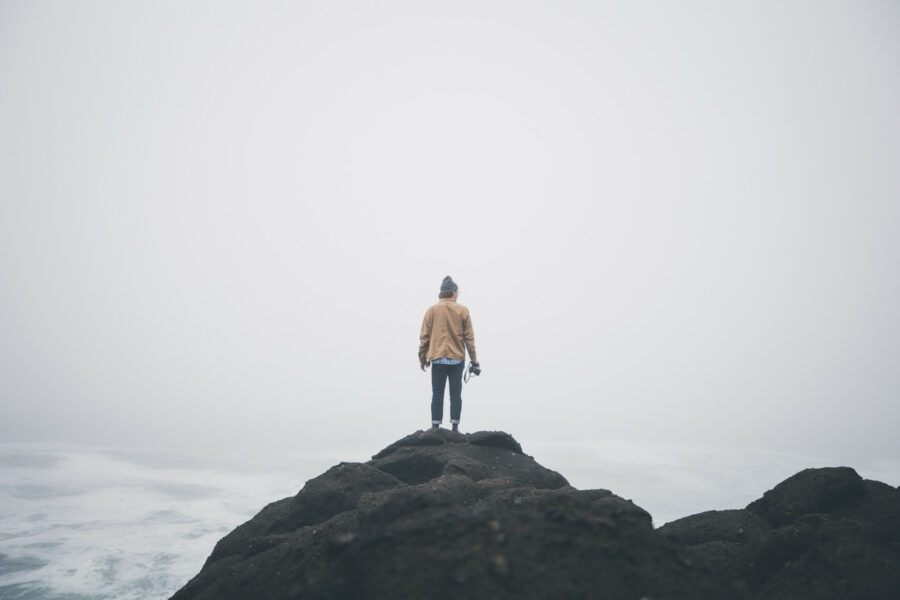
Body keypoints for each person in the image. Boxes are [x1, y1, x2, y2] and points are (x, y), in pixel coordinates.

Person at [418, 276, 479, 432]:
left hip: (437, 358)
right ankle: (455, 427)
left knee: (437, 395)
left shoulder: (431, 311)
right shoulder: (463, 310)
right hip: (457, 359)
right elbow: (469, 339)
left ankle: (435, 427)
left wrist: (422, 357)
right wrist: (474, 360)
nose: (458, 294)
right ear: (453, 292)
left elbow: (424, 337)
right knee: (455, 396)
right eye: (457, 292)